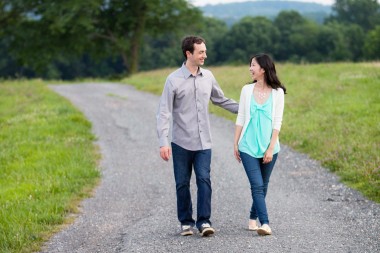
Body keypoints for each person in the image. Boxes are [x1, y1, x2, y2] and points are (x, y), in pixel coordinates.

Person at [156, 35, 239, 237]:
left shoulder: (208, 77)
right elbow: (164, 112)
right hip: (181, 142)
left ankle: (204, 221)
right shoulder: (173, 80)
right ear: (188, 53)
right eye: (201, 52)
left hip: (204, 142)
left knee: (204, 179)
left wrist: (246, 109)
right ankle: (186, 222)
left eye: (204, 51)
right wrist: (163, 142)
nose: (205, 55)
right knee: (182, 183)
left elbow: (221, 100)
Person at [233, 53, 286, 236]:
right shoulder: (246, 90)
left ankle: (252, 218)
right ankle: (265, 223)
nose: (250, 68)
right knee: (256, 185)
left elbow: (277, 122)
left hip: (269, 147)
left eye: (253, 65)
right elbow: (240, 117)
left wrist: (271, 148)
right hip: (247, 145)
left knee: (263, 185)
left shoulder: (278, 93)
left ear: (263, 69)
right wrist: (235, 143)